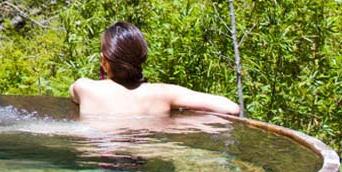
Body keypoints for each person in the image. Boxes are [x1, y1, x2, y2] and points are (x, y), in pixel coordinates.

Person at [69, 21, 240, 117]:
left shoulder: (84, 87)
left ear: (104, 61)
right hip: (144, 163)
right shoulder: (163, 93)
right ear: (141, 57)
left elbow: (73, 95)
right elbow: (230, 108)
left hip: (97, 167)